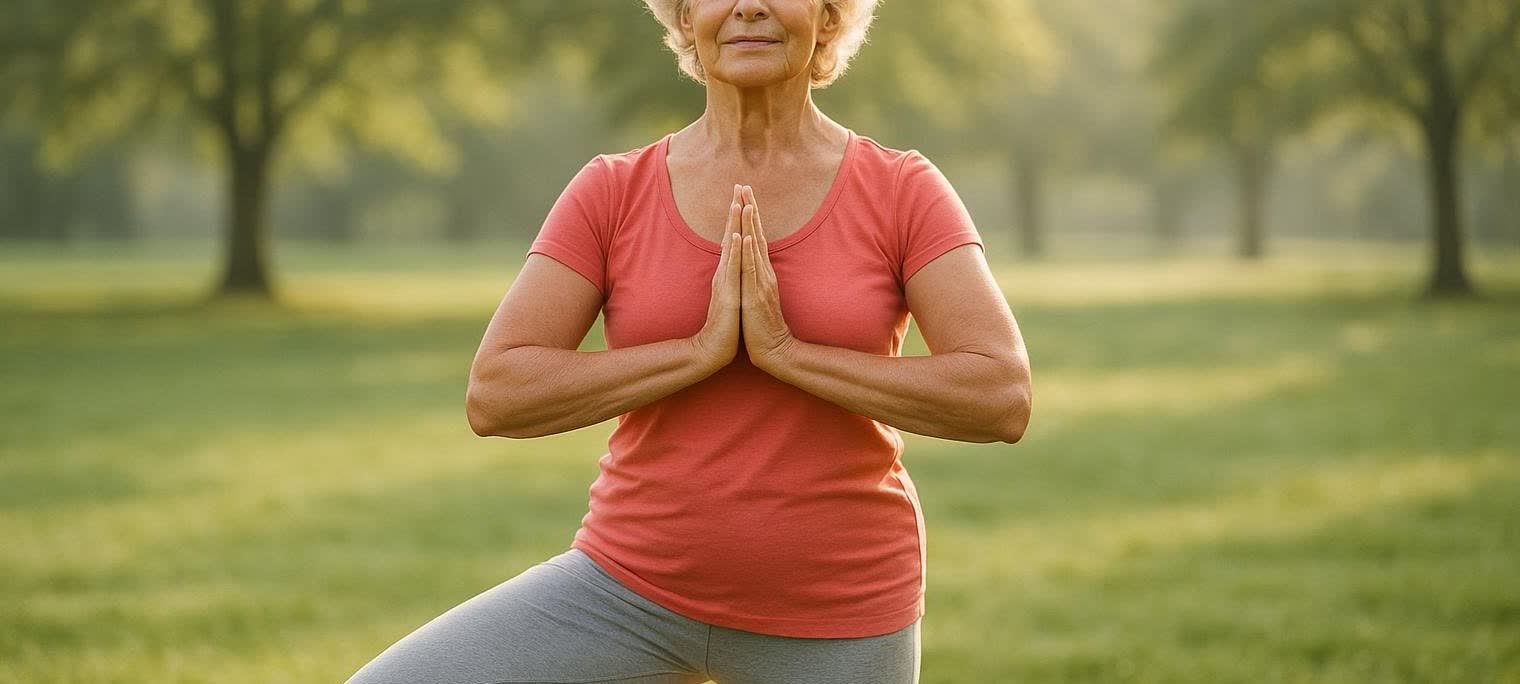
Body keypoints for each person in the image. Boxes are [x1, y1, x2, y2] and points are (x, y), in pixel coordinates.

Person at [345, 0, 1031, 682]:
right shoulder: (612, 190)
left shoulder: (901, 189)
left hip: (837, 612)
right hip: (624, 593)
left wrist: (787, 354)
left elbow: (999, 394)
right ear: (684, 19)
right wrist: (697, 352)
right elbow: (497, 393)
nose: (749, 7)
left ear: (828, 17)